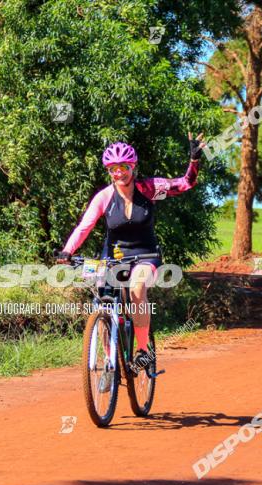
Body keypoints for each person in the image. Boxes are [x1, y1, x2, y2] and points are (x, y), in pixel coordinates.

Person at [56, 133, 206, 370]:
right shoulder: (104, 197)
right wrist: (67, 251)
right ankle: (109, 360)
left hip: (146, 255)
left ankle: (144, 351)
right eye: (113, 169)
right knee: (102, 303)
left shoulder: (149, 189)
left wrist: (194, 161)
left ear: (132, 167)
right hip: (113, 256)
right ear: (108, 171)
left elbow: (185, 184)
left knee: (137, 287)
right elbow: (84, 227)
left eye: (124, 167)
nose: (119, 173)